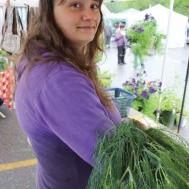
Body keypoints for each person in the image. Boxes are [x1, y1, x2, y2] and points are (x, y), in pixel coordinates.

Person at [15, 0, 121, 189]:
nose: (89, 15)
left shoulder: (45, 58)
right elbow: (118, 162)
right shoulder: (59, 80)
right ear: (49, 13)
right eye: (75, 4)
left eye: (94, 6)